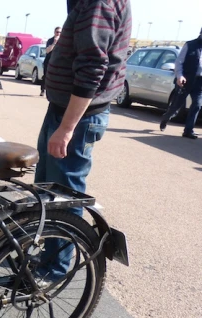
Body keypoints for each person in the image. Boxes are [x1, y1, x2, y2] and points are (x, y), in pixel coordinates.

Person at [35, 0, 132, 280]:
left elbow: (92, 67)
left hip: (77, 116)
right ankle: (49, 257)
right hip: (65, 110)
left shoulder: (98, 3)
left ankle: (55, 270)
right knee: (47, 191)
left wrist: (66, 128)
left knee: (63, 196)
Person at [159, 28, 202, 139]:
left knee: (197, 104)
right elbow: (179, 62)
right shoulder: (190, 45)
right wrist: (180, 76)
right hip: (186, 80)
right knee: (176, 105)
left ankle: (188, 130)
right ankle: (166, 117)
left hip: (199, 82)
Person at [40, 26, 61, 97]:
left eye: (60, 32)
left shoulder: (63, 40)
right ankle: (43, 90)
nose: (59, 34)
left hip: (58, 61)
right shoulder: (50, 40)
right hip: (49, 61)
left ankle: (54, 93)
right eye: (57, 32)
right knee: (46, 76)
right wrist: (54, 43)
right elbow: (47, 50)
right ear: (54, 32)